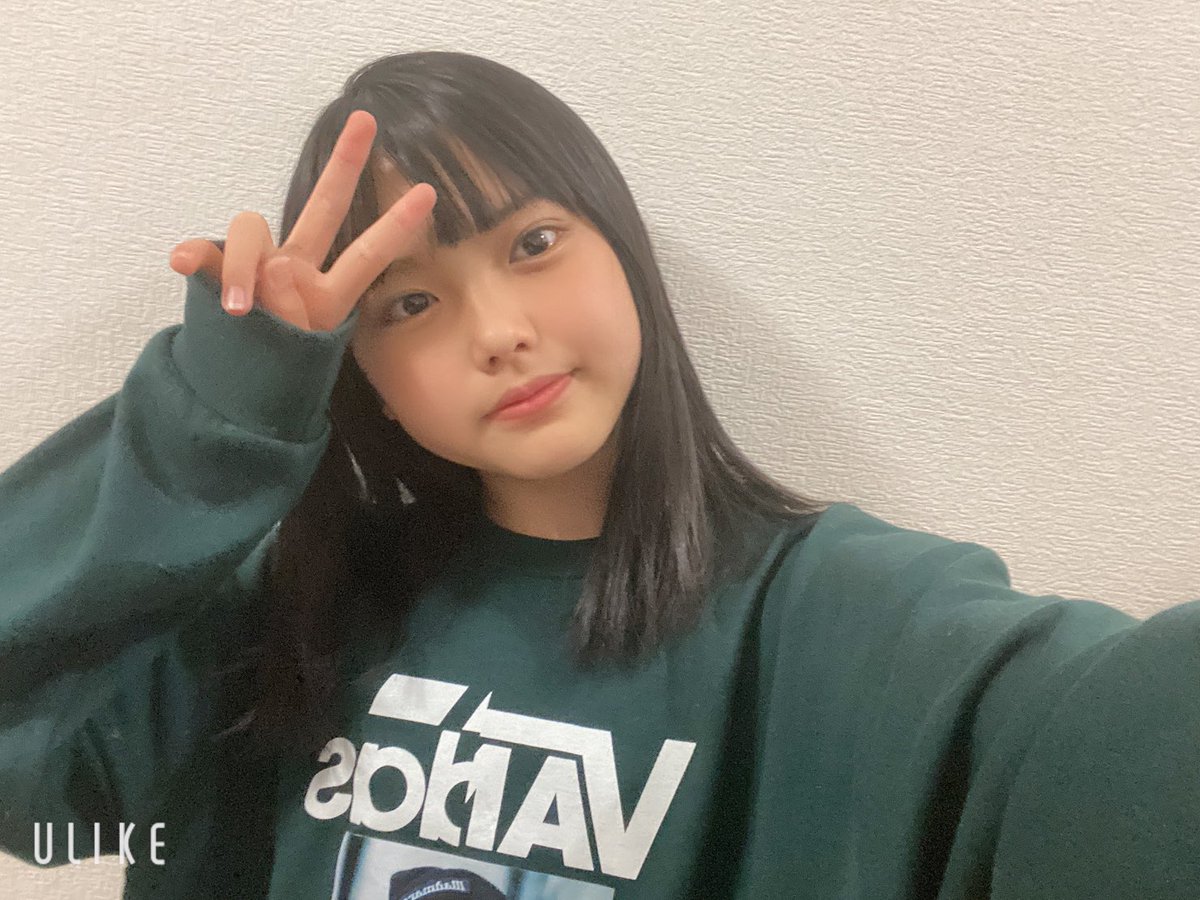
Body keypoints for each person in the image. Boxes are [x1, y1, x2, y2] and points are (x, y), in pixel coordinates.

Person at [0, 49, 1197, 900]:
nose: (497, 332)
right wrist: (213, 425)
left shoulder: (840, 625)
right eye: (410, 303)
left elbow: (1117, 752)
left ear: (621, 248)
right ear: (365, 377)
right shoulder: (283, 617)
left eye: (532, 243)